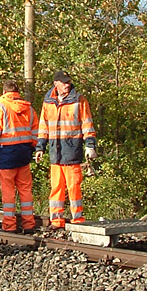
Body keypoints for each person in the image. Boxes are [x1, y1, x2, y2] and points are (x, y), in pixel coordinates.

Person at [35, 70, 97, 230]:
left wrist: (90, 146)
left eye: (68, 82)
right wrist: (40, 147)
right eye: (64, 82)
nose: (67, 85)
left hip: (72, 153)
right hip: (55, 154)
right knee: (56, 188)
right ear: (56, 83)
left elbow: (87, 124)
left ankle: (78, 220)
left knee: (74, 188)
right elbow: (43, 126)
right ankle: (56, 221)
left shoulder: (79, 100)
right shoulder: (48, 102)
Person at [0, 79, 39, 233]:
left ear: (4, 92)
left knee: (8, 192)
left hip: (6, 155)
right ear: (17, 92)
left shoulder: (0, 107)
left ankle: (9, 226)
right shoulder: (29, 109)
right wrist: (31, 149)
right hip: (24, 155)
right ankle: (29, 224)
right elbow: (36, 132)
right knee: (25, 190)